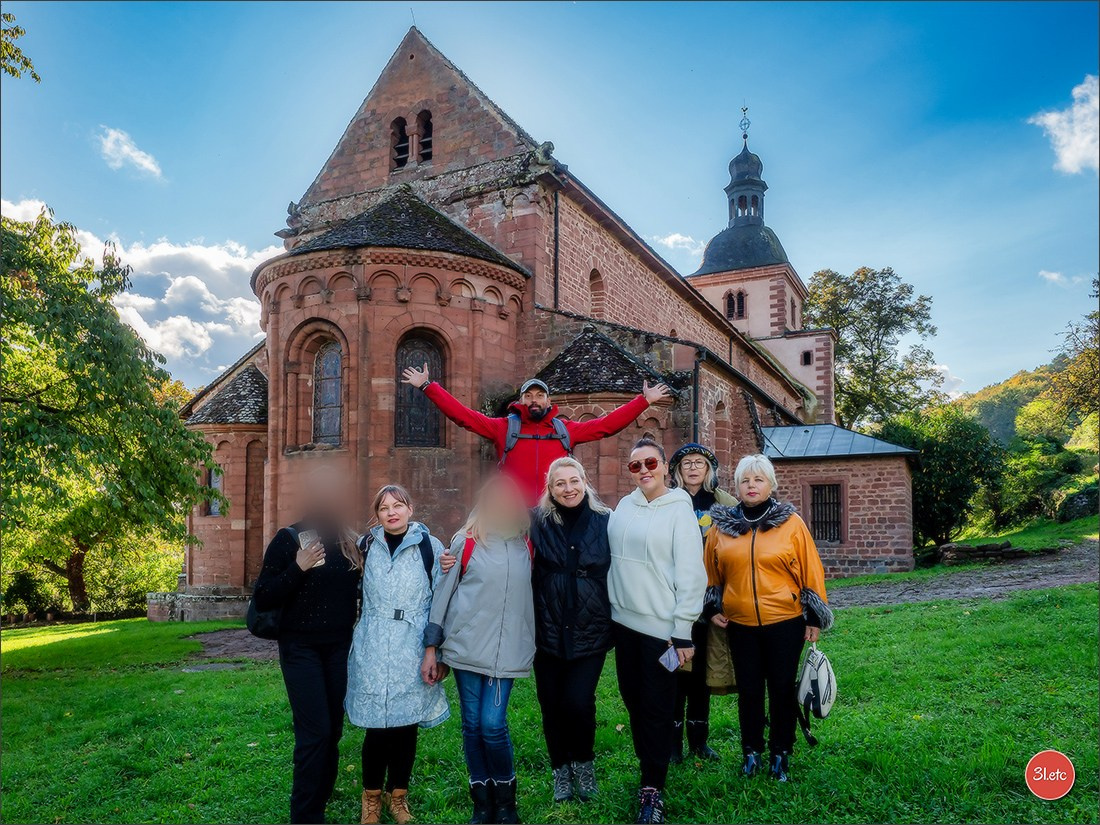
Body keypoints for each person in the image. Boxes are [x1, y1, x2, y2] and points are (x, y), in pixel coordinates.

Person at [704, 454, 834, 783]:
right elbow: (710, 570)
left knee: (781, 688)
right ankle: (751, 752)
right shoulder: (722, 526)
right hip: (740, 624)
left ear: (771, 485)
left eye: (758, 479)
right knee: (749, 690)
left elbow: (811, 569)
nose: (752, 486)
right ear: (737, 486)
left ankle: (781, 753)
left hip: (785, 622)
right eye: (745, 480)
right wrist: (713, 607)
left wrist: (814, 617)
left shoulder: (791, 524)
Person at [423, 474, 535, 824]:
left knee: (492, 725)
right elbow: (443, 593)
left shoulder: (526, 544)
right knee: (472, 726)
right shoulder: (466, 541)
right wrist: (432, 646)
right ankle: (482, 802)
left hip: (507, 650)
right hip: (466, 648)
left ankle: (506, 801)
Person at [252, 467, 362, 825]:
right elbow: (264, 595)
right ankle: (305, 815)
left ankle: (321, 797)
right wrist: (298, 568)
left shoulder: (349, 540)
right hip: (301, 650)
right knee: (315, 733)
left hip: (339, 649)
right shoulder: (290, 538)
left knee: (333, 730)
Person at [607, 438, 707, 824]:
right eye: (635, 465)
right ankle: (648, 762)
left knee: (658, 708)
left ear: (665, 467)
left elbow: (692, 575)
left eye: (651, 463)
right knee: (633, 701)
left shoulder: (680, 510)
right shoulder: (623, 507)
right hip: (623, 626)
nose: (644, 470)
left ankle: (653, 788)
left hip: (661, 632)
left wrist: (682, 631)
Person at [401, 364, 672, 505]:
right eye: (528, 395)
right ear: (521, 400)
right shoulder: (503, 427)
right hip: (513, 511)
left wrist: (643, 402)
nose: (534, 400)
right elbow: (464, 417)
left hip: (555, 509)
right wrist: (428, 386)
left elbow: (606, 425)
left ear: (548, 401)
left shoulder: (565, 430)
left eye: (539, 395)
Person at [346, 485, 450, 825]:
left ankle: (399, 797)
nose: (391, 512)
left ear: (410, 509)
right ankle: (371, 799)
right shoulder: (364, 546)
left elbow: (441, 601)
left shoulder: (430, 547)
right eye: (384, 507)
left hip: (413, 644)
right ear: (376, 514)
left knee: (406, 726)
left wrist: (435, 650)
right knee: (377, 727)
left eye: (398, 505)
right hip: (373, 644)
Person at [530, 457, 613, 804]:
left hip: (590, 626)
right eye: (560, 483)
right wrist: (453, 551)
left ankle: (584, 765)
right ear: (550, 488)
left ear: (584, 481)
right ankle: (560, 771)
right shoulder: (536, 520)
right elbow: (489, 526)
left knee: (578, 702)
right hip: (546, 628)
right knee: (551, 704)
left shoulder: (606, 520)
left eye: (573, 481)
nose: (568, 489)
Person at [666, 443, 739, 763]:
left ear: (709, 469)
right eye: (687, 463)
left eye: (699, 463)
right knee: (675, 674)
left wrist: (720, 601)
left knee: (700, 675)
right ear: (677, 471)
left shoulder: (726, 505)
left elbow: (738, 552)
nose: (693, 468)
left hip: (711, 601)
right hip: (675, 600)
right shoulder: (668, 502)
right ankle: (671, 746)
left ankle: (699, 742)